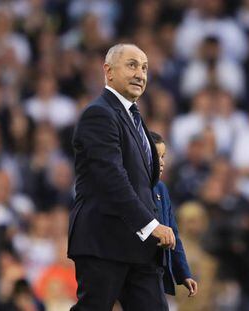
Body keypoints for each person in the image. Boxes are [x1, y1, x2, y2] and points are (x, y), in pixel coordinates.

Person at [67, 43, 176, 311]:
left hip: (139, 247)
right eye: (132, 65)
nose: (141, 73)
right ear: (108, 71)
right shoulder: (99, 114)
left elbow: (147, 187)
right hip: (104, 240)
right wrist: (150, 225)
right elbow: (111, 178)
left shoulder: (135, 119)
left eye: (145, 68)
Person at [150, 131, 198, 297]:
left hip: (153, 269)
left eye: (163, 156)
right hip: (129, 265)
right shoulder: (130, 187)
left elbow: (173, 234)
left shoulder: (162, 189)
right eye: (156, 156)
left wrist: (184, 273)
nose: (162, 162)